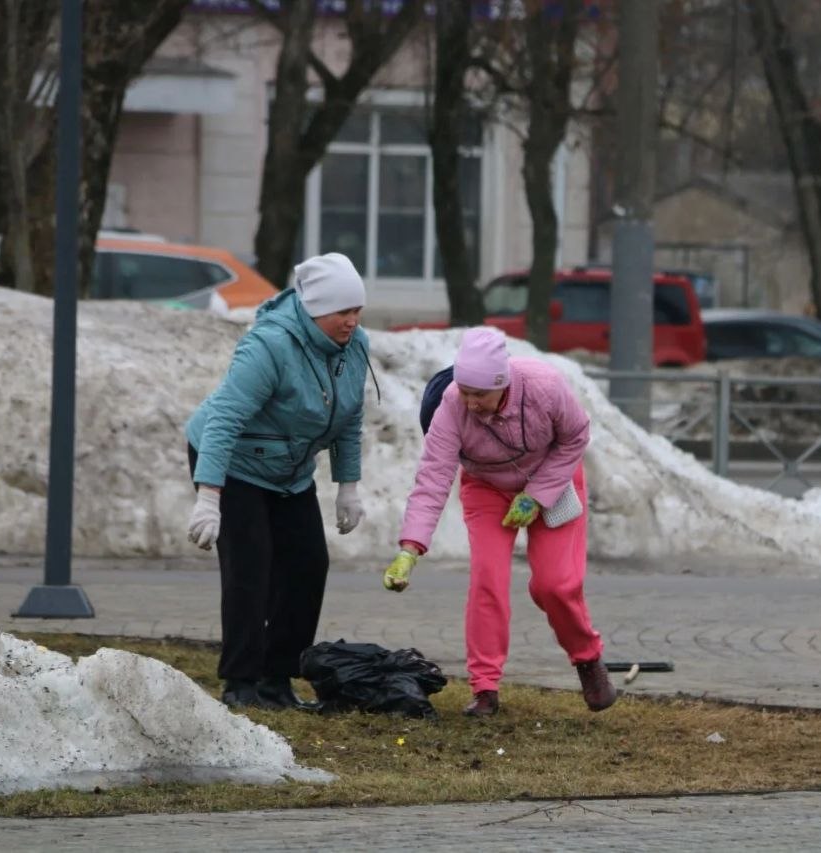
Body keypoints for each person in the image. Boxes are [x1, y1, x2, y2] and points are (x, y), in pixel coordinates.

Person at [382, 327, 616, 717]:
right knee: (488, 580)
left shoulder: (544, 386)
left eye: (480, 394)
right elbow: (433, 478)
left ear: (502, 382)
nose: (470, 402)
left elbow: (576, 437)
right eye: (464, 391)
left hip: (551, 481)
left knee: (555, 585)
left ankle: (588, 660)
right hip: (486, 487)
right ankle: (485, 688)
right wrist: (410, 548)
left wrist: (537, 494)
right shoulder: (451, 404)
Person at [185, 252, 372, 711]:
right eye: (341, 313)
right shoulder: (269, 345)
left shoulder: (355, 345)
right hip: (233, 461)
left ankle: (276, 679)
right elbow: (224, 419)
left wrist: (348, 484)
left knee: (308, 565)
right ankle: (241, 683)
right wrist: (209, 495)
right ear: (313, 311)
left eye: (356, 311)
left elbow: (349, 416)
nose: (351, 321)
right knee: (251, 567)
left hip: (289, 469)